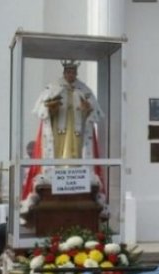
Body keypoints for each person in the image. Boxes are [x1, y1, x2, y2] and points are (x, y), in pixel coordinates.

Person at [22, 60, 105, 199]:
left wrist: (87, 110)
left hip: (77, 131)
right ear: (64, 72)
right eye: (68, 72)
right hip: (58, 130)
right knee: (58, 150)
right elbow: (43, 109)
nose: (70, 75)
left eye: (73, 72)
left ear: (76, 73)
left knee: (77, 150)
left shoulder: (84, 89)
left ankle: (75, 171)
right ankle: (58, 171)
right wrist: (51, 108)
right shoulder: (53, 87)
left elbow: (93, 112)